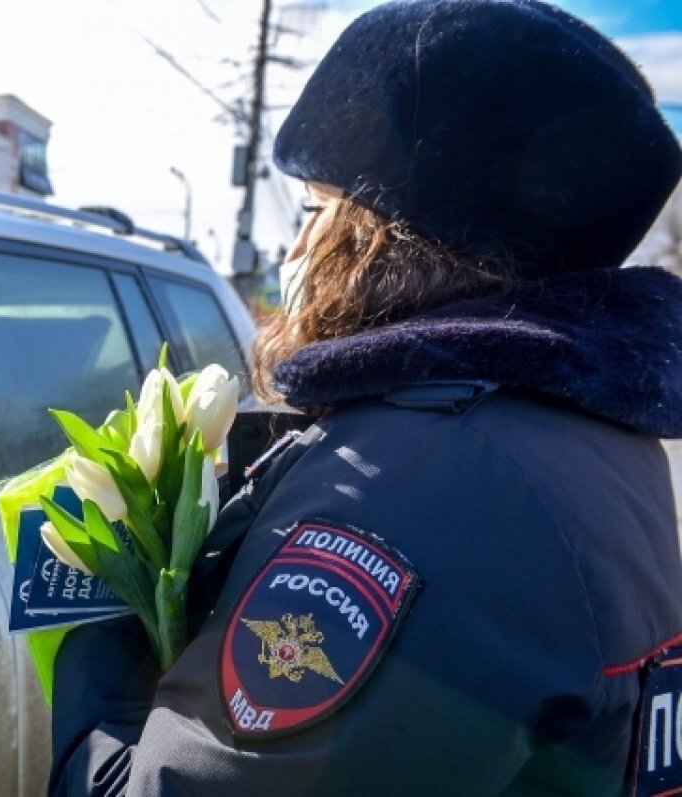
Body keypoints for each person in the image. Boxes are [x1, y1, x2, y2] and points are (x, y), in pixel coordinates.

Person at [48, 1, 682, 795]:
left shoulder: (424, 487)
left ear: (386, 237)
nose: (294, 248)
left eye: (315, 208)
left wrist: (101, 649)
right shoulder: (584, 434)